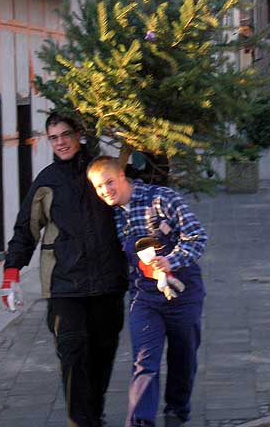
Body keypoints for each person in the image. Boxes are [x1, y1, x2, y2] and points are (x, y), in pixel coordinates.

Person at [1, 113, 128, 427]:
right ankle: (80, 421)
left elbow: (134, 202)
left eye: (65, 134)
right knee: (72, 355)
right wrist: (11, 273)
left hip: (108, 282)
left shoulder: (104, 170)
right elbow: (26, 229)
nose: (60, 142)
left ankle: (93, 416)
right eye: (53, 137)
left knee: (102, 355)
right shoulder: (47, 181)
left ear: (79, 134)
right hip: (64, 286)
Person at [86, 156, 207, 427]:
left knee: (183, 357)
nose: (105, 190)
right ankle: (141, 422)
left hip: (184, 294)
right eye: (99, 187)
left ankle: (177, 411)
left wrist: (171, 261)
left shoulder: (162, 199)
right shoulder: (115, 213)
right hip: (145, 297)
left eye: (109, 182)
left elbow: (197, 236)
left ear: (122, 177)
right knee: (145, 361)